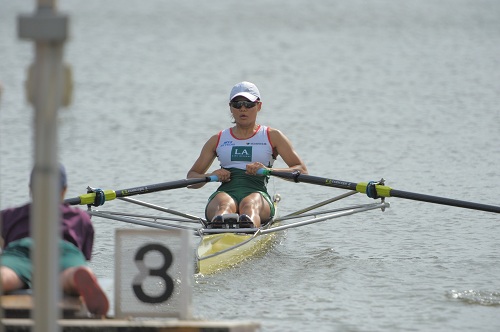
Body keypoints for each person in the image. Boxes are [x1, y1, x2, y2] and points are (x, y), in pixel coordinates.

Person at [187, 81, 308, 228]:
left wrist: (268, 171)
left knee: (249, 204)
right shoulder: (218, 139)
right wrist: (212, 175)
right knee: (224, 205)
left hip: (257, 192)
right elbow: (191, 179)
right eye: (237, 104)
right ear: (230, 108)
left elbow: (302, 170)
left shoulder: (273, 136)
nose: (242, 108)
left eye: (248, 104)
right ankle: (221, 230)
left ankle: (244, 230)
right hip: (225, 191)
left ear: (259, 106)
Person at [0, 164, 109, 316]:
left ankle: (3, 278)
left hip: (22, 250)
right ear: (64, 190)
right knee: (66, 277)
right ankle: (76, 276)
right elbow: (84, 255)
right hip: (64, 250)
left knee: (8, 273)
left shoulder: (9, 215)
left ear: (31, 189)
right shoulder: (80, 218)